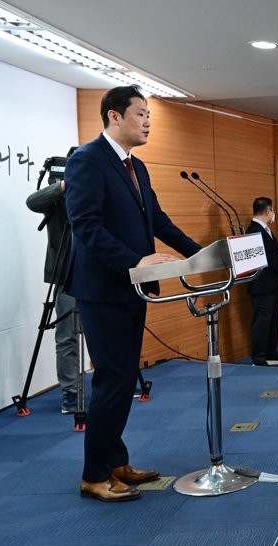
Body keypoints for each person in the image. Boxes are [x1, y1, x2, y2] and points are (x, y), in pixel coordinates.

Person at [65, 86, 202, 502]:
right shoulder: (87, 160)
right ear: (114, 117)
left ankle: (115, 461)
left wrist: (203, 255)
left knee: (126, 378)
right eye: (141, 114)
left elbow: (157, 220)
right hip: (103, 289)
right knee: (113, 379)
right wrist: (134, 262)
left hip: (130, 289)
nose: (147, 121)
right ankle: (93, 474)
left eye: (149, 115)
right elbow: (86, 226)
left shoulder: (136, 167)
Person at [26, 178, 83, 413]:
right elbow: (32, 201)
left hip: (96, 274)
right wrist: (62, 186)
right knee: (66, 335)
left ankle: (108, 384)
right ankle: (70, 392)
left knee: (104, 333)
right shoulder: (55, 200)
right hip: (64, 276)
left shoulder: (93, 192)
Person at [246, 197, 278, 366]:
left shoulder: (266, 230)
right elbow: (265, 258)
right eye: (272, 210)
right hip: (262, 286)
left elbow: (276, 252)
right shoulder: (253, 230)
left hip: (273, 284)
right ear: (267, 211)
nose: (274, 214)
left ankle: (271, 352)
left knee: (272, 321)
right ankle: (259, 357)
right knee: (262, 322)